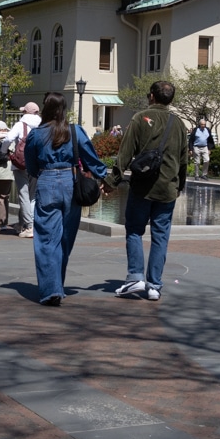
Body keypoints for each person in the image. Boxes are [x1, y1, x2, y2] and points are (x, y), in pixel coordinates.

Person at [102, 80, 188, 301]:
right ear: (171, 100)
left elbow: (125, 154)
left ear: (151, 96)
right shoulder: (178, 123)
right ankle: (154, 285)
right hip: (168, 188)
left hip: (142, 187)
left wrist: (112, 181)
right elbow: (184, 160)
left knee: (134, 230)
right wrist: (180, 186)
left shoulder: (140, 118)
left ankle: (135, 277)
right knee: (161, 237)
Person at [24, 92, 107, 306]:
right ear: (64, 109)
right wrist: (108, 177)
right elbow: (91, 159)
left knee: (46, 239)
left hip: (47, 182)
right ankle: (57, 285)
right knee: (66, 238)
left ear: (45, 108)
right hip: (71, 183)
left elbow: (31, 166)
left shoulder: (36, 134)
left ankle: (51, 289)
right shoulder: (75, 131)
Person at [3, 102, 42, 238]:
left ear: (25, 112)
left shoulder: (21, 125)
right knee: (31, 196)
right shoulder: (42, 125)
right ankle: (22, 224)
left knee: (23, 194)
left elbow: (8, 138)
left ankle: (29, 226)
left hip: (21, 164)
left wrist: (4, 150)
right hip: (37, 164)